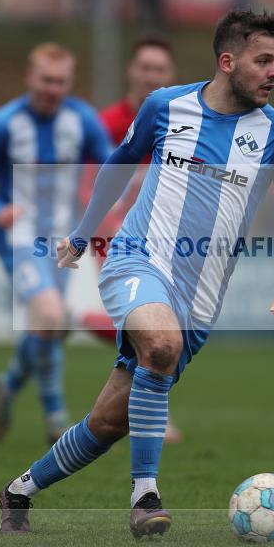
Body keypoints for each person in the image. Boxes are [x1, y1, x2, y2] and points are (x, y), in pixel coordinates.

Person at [0, 9, 274, 538]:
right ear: (227, 61)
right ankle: (145, 496)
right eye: (263, 60)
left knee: (108, 421)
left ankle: (18, 493)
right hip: (136, 260)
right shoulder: (165, 106)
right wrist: (82, 236)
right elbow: (117, 165)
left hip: (199, 302)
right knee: (162, 344)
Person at [0, 43, 112, 443]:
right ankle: (56, 415)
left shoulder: (82, 122)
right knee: (51, 313)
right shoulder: (2, 124)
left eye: (60, 81)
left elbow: (112, 165)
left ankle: (9, 383)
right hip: (18, 239)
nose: (52, 88)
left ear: (69, 83)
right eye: (46, 79)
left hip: (63, 240)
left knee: (49, 324)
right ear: (30, 77)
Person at [79, 36, 185, 443]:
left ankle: (125, 410)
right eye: (145, 67)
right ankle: (148, 415)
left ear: (170, 76)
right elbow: (86, 181)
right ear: (131, 70)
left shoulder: (182, 121)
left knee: (157, 330)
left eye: (160, 69)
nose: (151, 76)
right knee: (148, 324)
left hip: (169, 238)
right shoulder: (105, 125)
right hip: (118, 239)